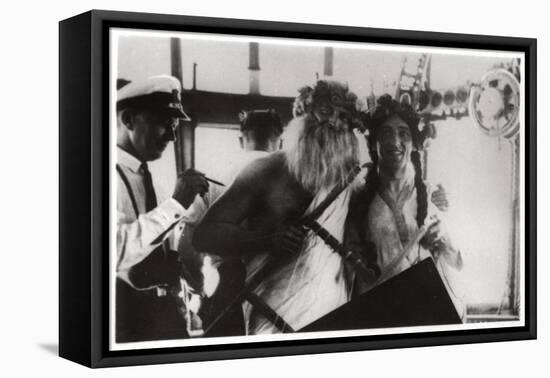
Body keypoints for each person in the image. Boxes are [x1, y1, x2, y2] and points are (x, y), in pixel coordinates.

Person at [193, 80, 367, 334]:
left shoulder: (348, 182)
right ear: (302, 125)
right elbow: (204, 235)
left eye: (340, 126)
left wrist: (428, 196)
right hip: (272, 316)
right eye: (322, 120)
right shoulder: (267, 170)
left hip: (331, 310)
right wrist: (265, 239)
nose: (330, 129)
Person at [345, 94, 465, 319]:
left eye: (403, 133)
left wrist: (442, 236)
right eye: (386, 133)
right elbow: (347, 267)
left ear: (414, 144)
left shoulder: (431, 196)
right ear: (373, 143)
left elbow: (456, 262)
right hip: (380, 314)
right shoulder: (358, 200)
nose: (395, 141)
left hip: (427, 310)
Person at [115, 75, 209, 342]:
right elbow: (113, 251)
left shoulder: (148, 175)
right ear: (129, 119)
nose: (172, 135)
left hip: (162, 313)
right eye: (162, 122)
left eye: (175, 123)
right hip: (124, 319)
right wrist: (176, 204)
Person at [177, 109, 285, 336]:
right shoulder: (291, 176)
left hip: (225, 287)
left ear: (240, 140)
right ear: (281, 140)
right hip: (281, 288)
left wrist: (200, 290)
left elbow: (187, 248)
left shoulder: (214, 176)